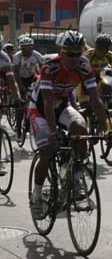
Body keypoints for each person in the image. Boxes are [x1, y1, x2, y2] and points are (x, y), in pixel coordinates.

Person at [29, 31, 107, 219]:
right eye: (69, 54)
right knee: (46, 153)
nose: (73, 58)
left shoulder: (83, 66)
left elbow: (95, 98)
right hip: (40, 110)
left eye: (77, 53)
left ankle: (77, 178)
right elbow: (47, 103)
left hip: (63, 106)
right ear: (61, 52)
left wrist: (105, 124)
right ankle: (37, 197)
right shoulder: (50, 69)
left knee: (80, 128)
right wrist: (54, 131)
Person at [13, 36, 43, 141]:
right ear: (21, 49)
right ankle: (18, 127)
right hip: (20, 78)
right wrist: (21, 87)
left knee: (38, 98)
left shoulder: (36, 55)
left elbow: (43, 70)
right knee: (21, 103)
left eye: (29, 48)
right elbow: (15, 74)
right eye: (25, 48)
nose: (27, 50)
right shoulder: (17, 56)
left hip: (31, 77)